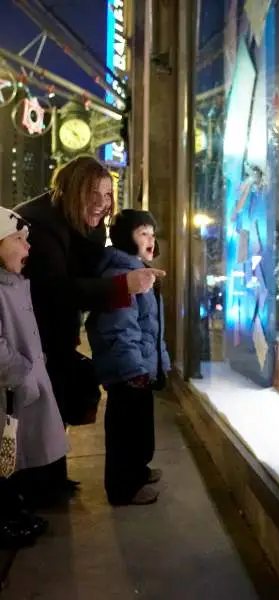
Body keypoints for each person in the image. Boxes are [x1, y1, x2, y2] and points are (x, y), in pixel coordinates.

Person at [16, 156, 165, 500]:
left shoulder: (86, 226)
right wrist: (122, 284)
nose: (102, 203)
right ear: (69, 191)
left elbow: (88, 273)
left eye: (107, 194)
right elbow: (55, 290)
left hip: (55, 333)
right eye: (92, 194)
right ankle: (37, 489)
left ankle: (50, 482)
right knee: (40, 407)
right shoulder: (40, 226)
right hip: (29, 335)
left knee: (56, 402)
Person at [86, 210, 170, 506]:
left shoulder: (138, 270)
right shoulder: (122, 276)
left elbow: (149, 325)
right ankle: (123, 487)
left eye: (152, 233)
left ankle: (138, 471)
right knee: (125, 429)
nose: (150, 239)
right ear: (125, 237)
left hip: (139, 367)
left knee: (140, 426)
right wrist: (133, 367)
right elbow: (120, 327)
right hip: (127, 369)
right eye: (142, 233)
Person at [0, 207, 67, 546]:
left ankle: (13, 511)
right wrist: (23, 372)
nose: (28, 249)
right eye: (19, 240)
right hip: (9, 392)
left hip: (14, 395)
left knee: (9, 457)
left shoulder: (14, 284)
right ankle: (6, 520)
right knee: (4, 458)